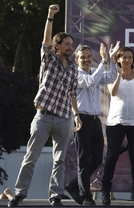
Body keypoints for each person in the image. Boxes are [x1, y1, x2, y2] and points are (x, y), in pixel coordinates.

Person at [8, 4, 82, 207]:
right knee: (31, 157)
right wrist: (50, 16)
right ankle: (20, 193)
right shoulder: (48, 59)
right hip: (43, 115)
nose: (70, 47)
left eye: (71, 44)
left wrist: (76, 115)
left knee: (59, 160)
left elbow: (73, 93)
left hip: (64, 117)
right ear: (57, 46)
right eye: (67, 44)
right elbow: (46, 40)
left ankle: (55, 195)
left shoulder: (74, 68)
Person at [64, 41, 120, 206]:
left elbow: (110, 77)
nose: (87, 59)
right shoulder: (75, 74)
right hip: (81, 119)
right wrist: (104, 60)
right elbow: (90, 82)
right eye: (83, 57)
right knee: (83, 160)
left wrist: (113, 59)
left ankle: (73, 186)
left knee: (96, 159)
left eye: (89, 56)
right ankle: (86, 196)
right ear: (76, 60)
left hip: (95, 120)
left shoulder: (95, 71)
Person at [101, 47, 134, 206]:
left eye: (130, 57)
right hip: (115, 122)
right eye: (124, 57)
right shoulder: (113, 74)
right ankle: (105, 191)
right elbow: (113, 92)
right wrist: (118, 75)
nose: (127, 60)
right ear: (118, 59)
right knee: (112, 157)